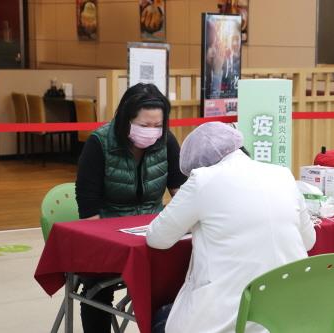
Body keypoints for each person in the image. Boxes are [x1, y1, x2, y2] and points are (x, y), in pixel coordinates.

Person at [146, 122, 316, 333]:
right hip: (292, 317)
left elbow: (157, 238)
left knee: (161, 318)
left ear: (198, 164)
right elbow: (309, 241)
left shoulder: (202, 180)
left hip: (229, 320)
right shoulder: (282, 174)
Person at [75, 83, 187, 333]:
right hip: (107, 236)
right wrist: (107, 245)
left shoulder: (166, 141)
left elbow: (182, 194)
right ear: (126, 119)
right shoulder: (100, 143)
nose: (152, 131)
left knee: (184, 273)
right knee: (96, 290)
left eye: (158, 125)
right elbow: (88, 207)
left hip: (153, 234)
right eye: (145, 125)